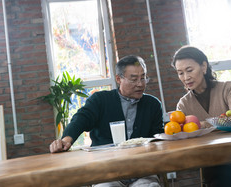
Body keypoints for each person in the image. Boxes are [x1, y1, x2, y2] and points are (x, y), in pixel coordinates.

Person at [50, 55, 164, 187]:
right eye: (133, 79)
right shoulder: (101, 100)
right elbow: (81, 118)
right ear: (118, 79)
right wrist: (66, 141)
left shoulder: (153, 104)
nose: (140, 84)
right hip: (106, 172)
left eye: (143, 78)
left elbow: (158, 138)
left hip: (142, 170)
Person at [171, 45, 231, 187]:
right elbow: (186, 137)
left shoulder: (229, 88)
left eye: (189, 70)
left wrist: (201, 125)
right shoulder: (183, 105)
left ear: (204, 67)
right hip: (213, 162)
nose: (186, 77)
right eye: (180, 73)